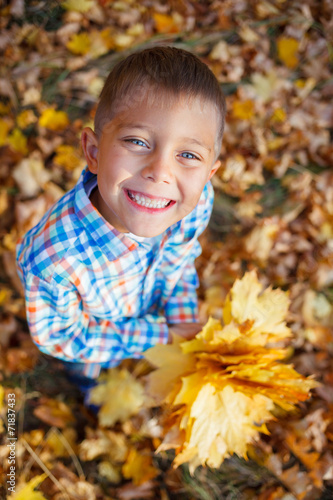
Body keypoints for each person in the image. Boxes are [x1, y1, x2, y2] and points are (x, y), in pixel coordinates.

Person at [16, 46, 226, 400]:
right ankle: (88, 388)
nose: (160, 172)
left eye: (188, 155)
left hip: (149, 309)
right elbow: (65, 337)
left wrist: (182, 324)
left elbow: (179, 260)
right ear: (94, 152)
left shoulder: (194, 202)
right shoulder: (53, 260)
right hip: (89, 336)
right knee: (90, 367)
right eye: (138, 142)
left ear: (209, 174)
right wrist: (163, 337)